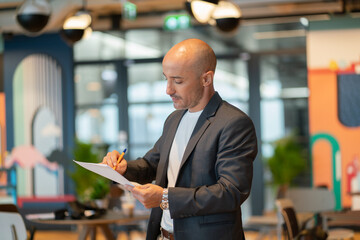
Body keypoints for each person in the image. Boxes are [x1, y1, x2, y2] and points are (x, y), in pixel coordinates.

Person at [102, 38, 258, 240]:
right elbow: (152, 164)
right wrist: (123, 168)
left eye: (178, 81)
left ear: (206, 79)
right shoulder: (174, 119)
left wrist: (165, 197)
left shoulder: (234, 123)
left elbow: (231, 192)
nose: (168, 90)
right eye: (166, 78)